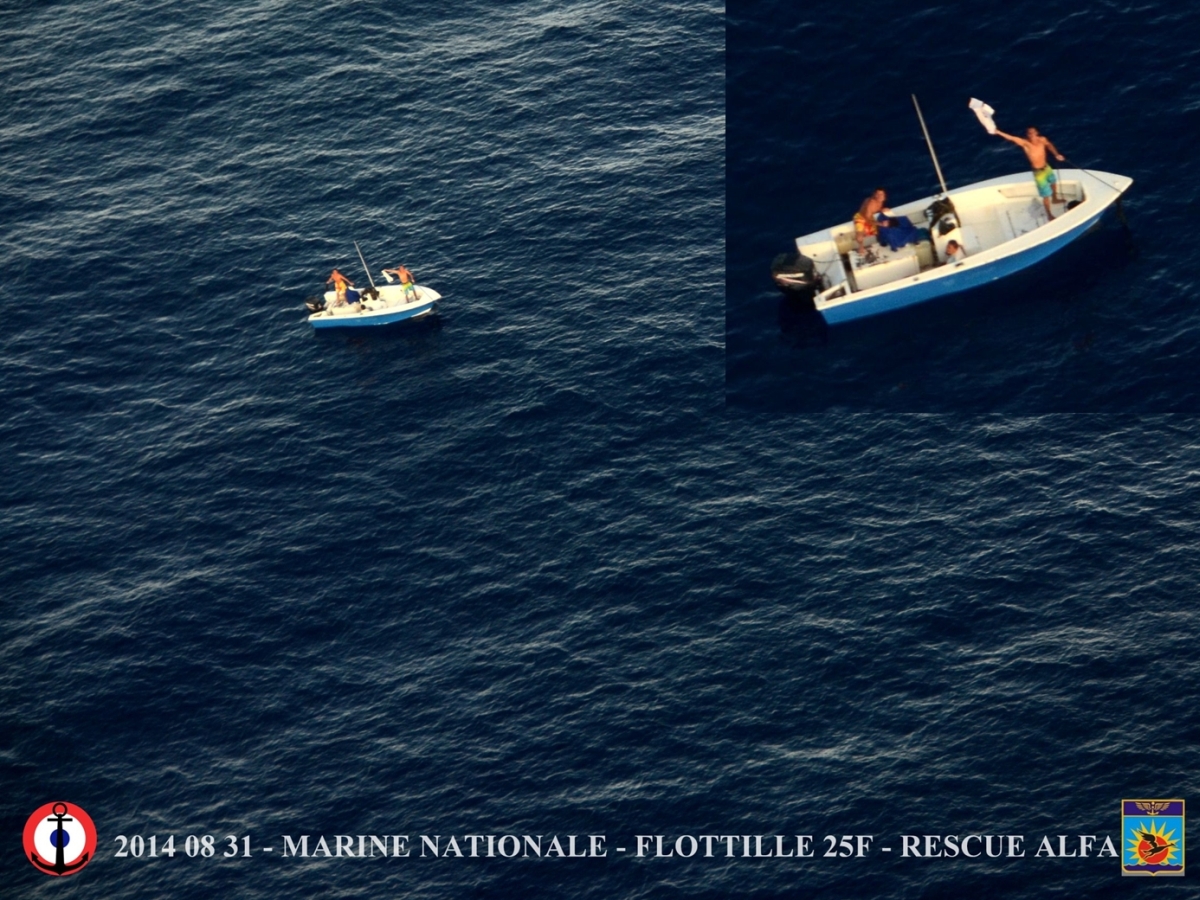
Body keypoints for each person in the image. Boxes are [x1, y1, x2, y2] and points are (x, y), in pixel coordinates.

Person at [994, 126, 1066, 219]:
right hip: (1039, 173)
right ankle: (1049, 214)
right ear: (1027, 135)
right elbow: (1011, 138)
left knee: (1053, 182)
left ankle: (1055, 199)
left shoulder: (1042, 139)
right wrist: (998, 132)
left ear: (1036, 133)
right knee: (1046, 195)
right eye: (1029, 133)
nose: (1031, 135)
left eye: (1033, 132)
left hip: (1047, 168)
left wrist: (1056, 154)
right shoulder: (1025, 143)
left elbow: (1049, 145)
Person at [854, 188, 894, 254]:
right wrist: (881, 224)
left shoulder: (880, 201)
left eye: (882, 194)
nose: (880, 196)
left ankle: (880, 242)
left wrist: (882, 209)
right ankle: (861, 247)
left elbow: (875, 209)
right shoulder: (871, 204)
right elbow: (867, 219)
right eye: (878, 194)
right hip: (861, 218)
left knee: (878, 231)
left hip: (870, 217)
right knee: (860, 235)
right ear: (875, 195)